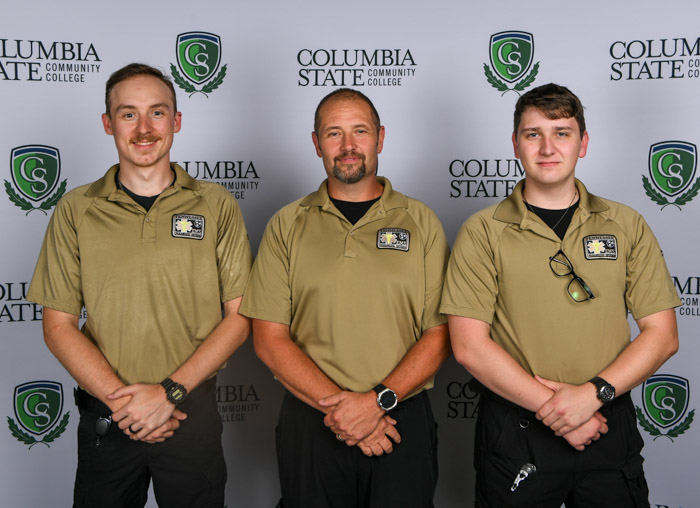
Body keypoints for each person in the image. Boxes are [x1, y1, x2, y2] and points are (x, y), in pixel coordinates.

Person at [441, 83, 681, 507]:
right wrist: (558, 412)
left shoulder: (626, 224)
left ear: (583, 143)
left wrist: (591, 397)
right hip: (516, 432)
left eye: (562, 132)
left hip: (607, 422)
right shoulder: (483, 231)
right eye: (533, 134)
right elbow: (468, 347)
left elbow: (662, 335)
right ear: (515, 144)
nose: (547, 147)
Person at [27, 63, 252, 508]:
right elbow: (58, 325)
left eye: (157, 112)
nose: (145, 128)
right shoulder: (76, 209)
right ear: (109, 123)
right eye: (128, 114)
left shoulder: (216, 204)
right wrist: (127, 406)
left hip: (190, 415)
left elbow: (240, 316)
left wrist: (167, 394)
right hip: (108, 421)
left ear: (177, 121)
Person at [239, 88, 450, 508]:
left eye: (360, 131)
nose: (349, 146)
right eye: (334, 134)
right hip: (312, 420)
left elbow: (441, 333)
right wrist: (346, 413)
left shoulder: (422, 221)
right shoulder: (287, 224)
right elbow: (269, 338)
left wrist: (376, 403)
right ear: (317, 143)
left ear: (381, 138)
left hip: (400, 417)